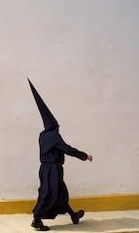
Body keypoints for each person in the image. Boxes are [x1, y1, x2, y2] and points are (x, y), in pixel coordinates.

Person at [28, 79, 93, 231]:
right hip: (53, 169)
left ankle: (73, 215)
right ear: (54, 125)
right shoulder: (53, 136)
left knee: (60, 193)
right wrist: (84, 155)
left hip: (45, 168)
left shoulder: (43, 135)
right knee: (49, 192)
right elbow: (66, 149)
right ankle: (37, 219)